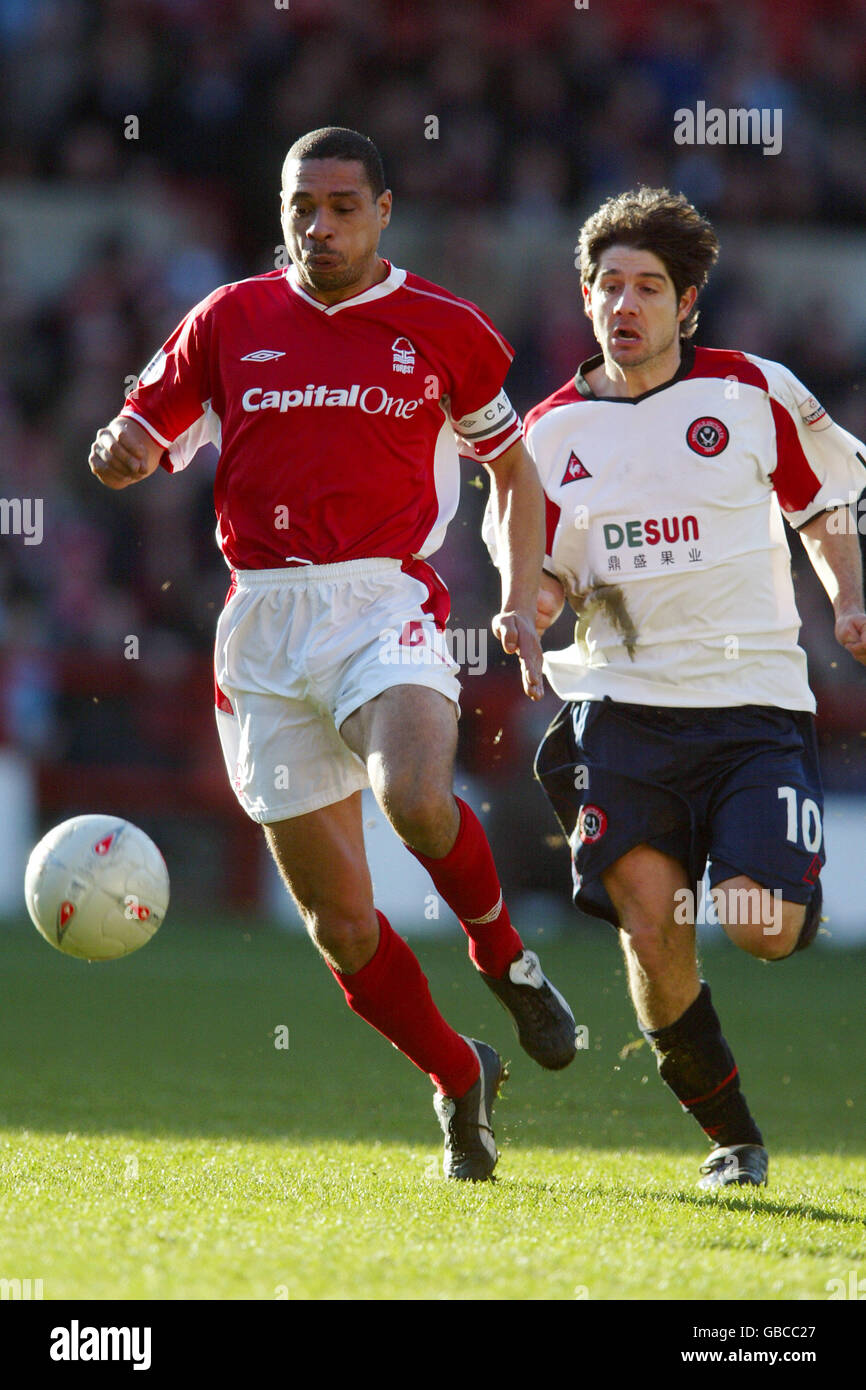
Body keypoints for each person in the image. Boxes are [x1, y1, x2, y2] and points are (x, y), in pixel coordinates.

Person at [88, 127, 578, 1182]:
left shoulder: (445, 330)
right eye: (299, 205)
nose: (317, 225)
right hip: (262, 624)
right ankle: (457, 1074)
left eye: (342, 205)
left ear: (384, 211)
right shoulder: (227, 319)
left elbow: (517, 473)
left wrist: (521, 599)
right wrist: (115, 453)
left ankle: (503, 953)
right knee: (343, 924)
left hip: (383, 600)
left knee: (413, 793)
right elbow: (131, 437)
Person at [495, 186, 866, 1189]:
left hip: (750, 706)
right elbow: (548, 567)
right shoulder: (549, 432)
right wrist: (528, 608)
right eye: (607, 284)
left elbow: (823, 503)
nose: (625, 303)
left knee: (757, 928)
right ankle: (731, 1141)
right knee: (653, 930)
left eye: (647, 287)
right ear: (584, 299)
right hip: (620, 709)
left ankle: (761, 867)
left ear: (685, 300)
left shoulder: (751, 392)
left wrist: (845, 601)